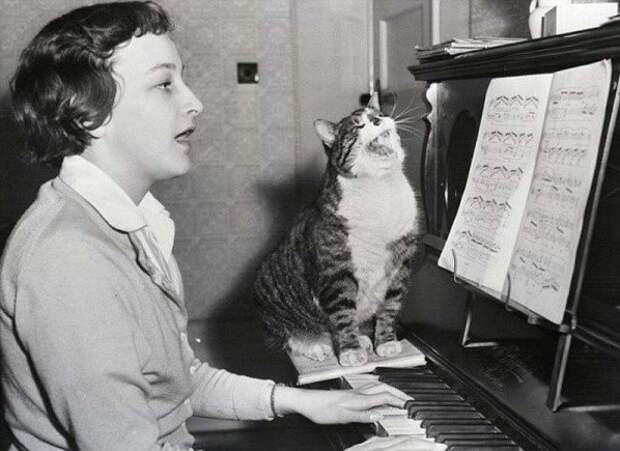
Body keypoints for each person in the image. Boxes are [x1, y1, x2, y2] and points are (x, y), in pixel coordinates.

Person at [0, 2, 446, 450]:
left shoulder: (128, 222)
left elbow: (175, 382)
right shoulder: (70, 258)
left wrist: (300, 401)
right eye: (164, 84)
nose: (195, 102)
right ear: (87, 115)